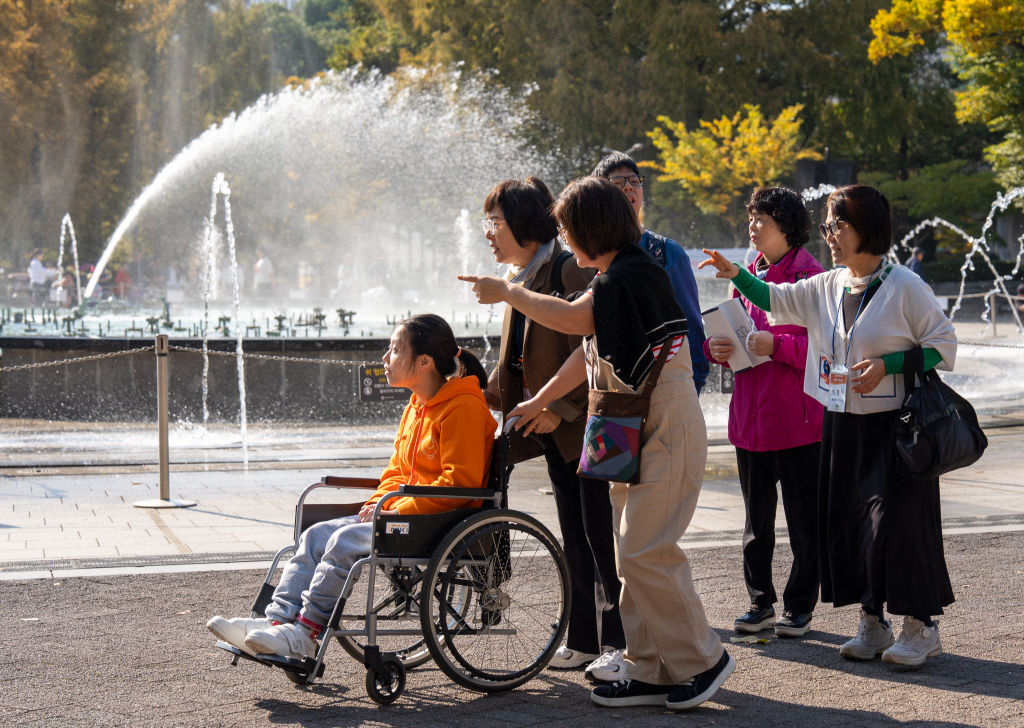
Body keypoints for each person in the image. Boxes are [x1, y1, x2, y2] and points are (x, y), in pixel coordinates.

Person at [459, 176, 732, 711]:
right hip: (637, 422)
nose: (561, 234)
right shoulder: (618, 273)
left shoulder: (628, 273)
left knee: (644, 550)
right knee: (631, 552)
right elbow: (585, 346)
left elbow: (574, 320)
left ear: (588, 227)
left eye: (566, 226)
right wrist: (539, 402)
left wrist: (510, 291)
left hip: (664, 423)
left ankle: (704, 658)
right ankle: (649, 666)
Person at [699, 184, 957, 669]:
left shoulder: (904, 285)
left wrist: (892, 363)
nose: (830, 236)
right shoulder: (830, 284)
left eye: (838, 225)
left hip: (897, 429)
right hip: (842, 422)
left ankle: (921, 626)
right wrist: (735, 273)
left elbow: (944, 346)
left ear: (867, 228)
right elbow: (773, 298)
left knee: (896, 526)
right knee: (853, 524)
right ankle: (872, 621)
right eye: (827, 227)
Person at [207, 313, 497, 660]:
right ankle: (276, 623)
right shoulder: (417, 407)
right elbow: (396, 473)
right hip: (405, 513)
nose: (384, 358)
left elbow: (457, 484)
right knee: (314, 535)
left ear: (424, 362)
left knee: (343, 541)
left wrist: (392, 507)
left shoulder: (462, 408)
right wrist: (379, 503)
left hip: (438, 520)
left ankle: (306, 633)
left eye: (394, 350)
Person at [478, 177, 626, 676]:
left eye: (495, 223)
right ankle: (584, 638)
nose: (488, 234)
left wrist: (558, 409)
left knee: (599, 536)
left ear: (522, 223)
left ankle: (619, 643)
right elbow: (520, 360)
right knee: (574, 534)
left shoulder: (565, 270)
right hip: (555, 432)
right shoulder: (521, 279)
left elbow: (595, 347)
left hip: (584, 426)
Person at [702, 188, 825, 638]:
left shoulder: (812, 277)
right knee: (756, 524)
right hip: (749, 422)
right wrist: (715, 347)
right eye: (751, 218)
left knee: (803, 522)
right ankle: (760, 603)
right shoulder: (749, 274)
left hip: (798, 422)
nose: (752, 227)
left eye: (762, 220)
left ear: (787, 228)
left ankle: (799, 606)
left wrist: (778, 346)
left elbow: (827, 351)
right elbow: (735, 336)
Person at [592, 152, 709, 395]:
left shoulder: (666, 253)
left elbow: (691, 327)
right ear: (600, 193)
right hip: (606, 393)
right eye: (617, 183)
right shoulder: (586, 257)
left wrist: (693, 385)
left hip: (665, 390)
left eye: (634, 181)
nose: (629, 188)